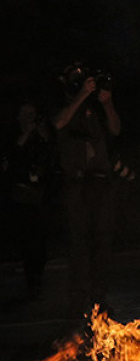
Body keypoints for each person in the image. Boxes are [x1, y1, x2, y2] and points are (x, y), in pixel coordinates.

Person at [54, 63, 121, 315]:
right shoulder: (63, 105)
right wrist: (81, 95)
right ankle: (78, 299)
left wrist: (106, 103)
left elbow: (115, 128)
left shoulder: (95, 106)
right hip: (76, 183)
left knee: (102, 240)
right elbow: (59, 123)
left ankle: (99, 296)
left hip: (100, 182)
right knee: (78, 241)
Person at [2, 101, 54, 299]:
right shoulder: (13, 137)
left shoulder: (40, 136)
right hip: (21, 195)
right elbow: (12, 159)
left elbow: (49, 154)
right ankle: (30, 280)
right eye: (25, 114)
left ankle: (38, 278)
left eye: (32, 113)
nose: (29, 117)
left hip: (39, 195)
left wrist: (40, 133)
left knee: (40, 240)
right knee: (26, 240)